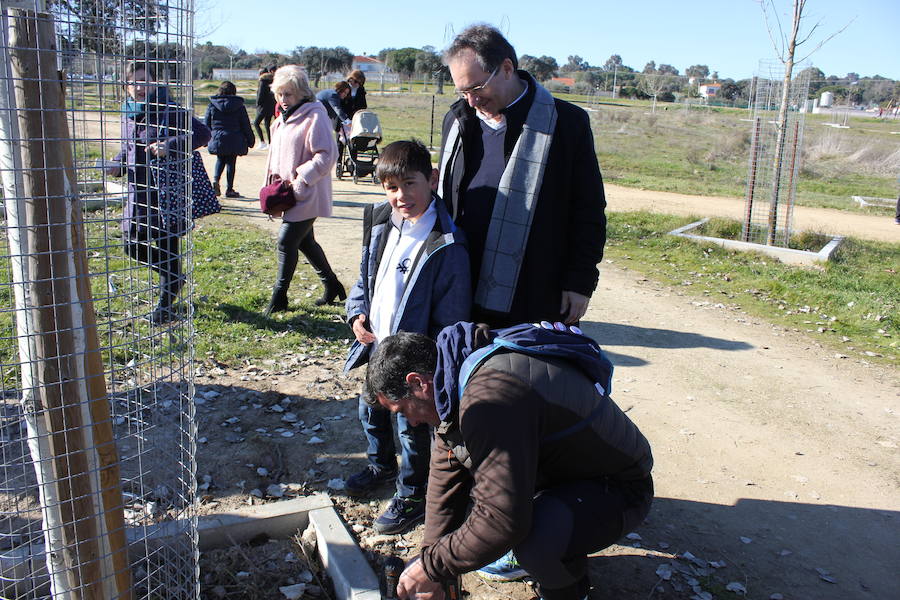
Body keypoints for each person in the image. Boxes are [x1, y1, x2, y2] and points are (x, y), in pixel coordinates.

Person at [366, 322, 654, 600]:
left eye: (403, 410)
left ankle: (569, 592)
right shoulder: (452, 376)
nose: (412, 422)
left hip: (620, 487)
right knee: (494, 532)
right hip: (569, 474)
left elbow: (503, 521)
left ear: (417, 383)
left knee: (532, 540)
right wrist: (431, 563)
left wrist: (431, 567)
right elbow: (445, 479)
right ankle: (557, 543)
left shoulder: (488, 400)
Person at [438, 25, 607, 328]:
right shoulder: (457, 120)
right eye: (462, 91)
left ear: (506, 68)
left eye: (476, 89)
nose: (471, 101)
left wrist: (580, 281)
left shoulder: (567, 124)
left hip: (536, 293)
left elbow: (588, 211)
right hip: (461, 289)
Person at [343, 140, 471, 535]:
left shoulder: (447, 243)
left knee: (411, 431)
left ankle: (412, 494)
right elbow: (365, 278)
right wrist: (356, 314)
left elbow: (451, 318)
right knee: (371, 411)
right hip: (375, 348)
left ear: (432, 180)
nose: (402, 196)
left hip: (412, 362)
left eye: (410, 184)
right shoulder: (381, 221)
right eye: (391, 187)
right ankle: (379, 465)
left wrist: (428, 368)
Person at [107, 61, 211, 324]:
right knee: (131, 245)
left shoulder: (170, 110)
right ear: (125, 86)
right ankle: (174, 277)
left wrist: (170, 145)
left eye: (145, 81)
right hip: (137, 193)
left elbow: (202, 134)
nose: (140, 87)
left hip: (166, 192)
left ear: (155, 83)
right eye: (134, 82)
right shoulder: (128, 114)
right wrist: (117, 162)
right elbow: (130, 146)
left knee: (167, 247)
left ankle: (165, 304)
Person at [262, 65, 345, 314]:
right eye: (279, 94)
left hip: (307, 192)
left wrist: (301, 178)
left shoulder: (314, 115)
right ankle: (332, 285)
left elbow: (328, 154)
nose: (283, 100)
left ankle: (279, 297)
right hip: (287, 194)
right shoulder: (281, 120)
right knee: (306, 241)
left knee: (286, 241)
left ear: (301, 93)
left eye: (288, 94)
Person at [205, 80, 255, 198]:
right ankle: (229, 189)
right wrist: (250, 140)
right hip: (234, 138)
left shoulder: (212, 104)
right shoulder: (239, 106)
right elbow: (245, 124)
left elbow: (207, 122)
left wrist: (206, 138)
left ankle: (216, 180)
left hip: (218, 138)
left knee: (220, 159)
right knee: (231, 162)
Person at [316, 81, 353, 159]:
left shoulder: (331, 93)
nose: (345, 95)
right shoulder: (333, 95)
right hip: (316, 116)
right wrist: (348, 122)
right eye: (344, 92)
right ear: (340, 90)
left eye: (347, 93)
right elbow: (338, 110)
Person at [254, 67, 276, 149]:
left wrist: (257, 104)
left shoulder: (262, 81)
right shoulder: (272, 80)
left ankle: (262, 141)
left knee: (256, 123)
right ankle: (270, 143)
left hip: (263, 106)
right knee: (267, 124)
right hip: (271, 105)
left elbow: (260, 94)